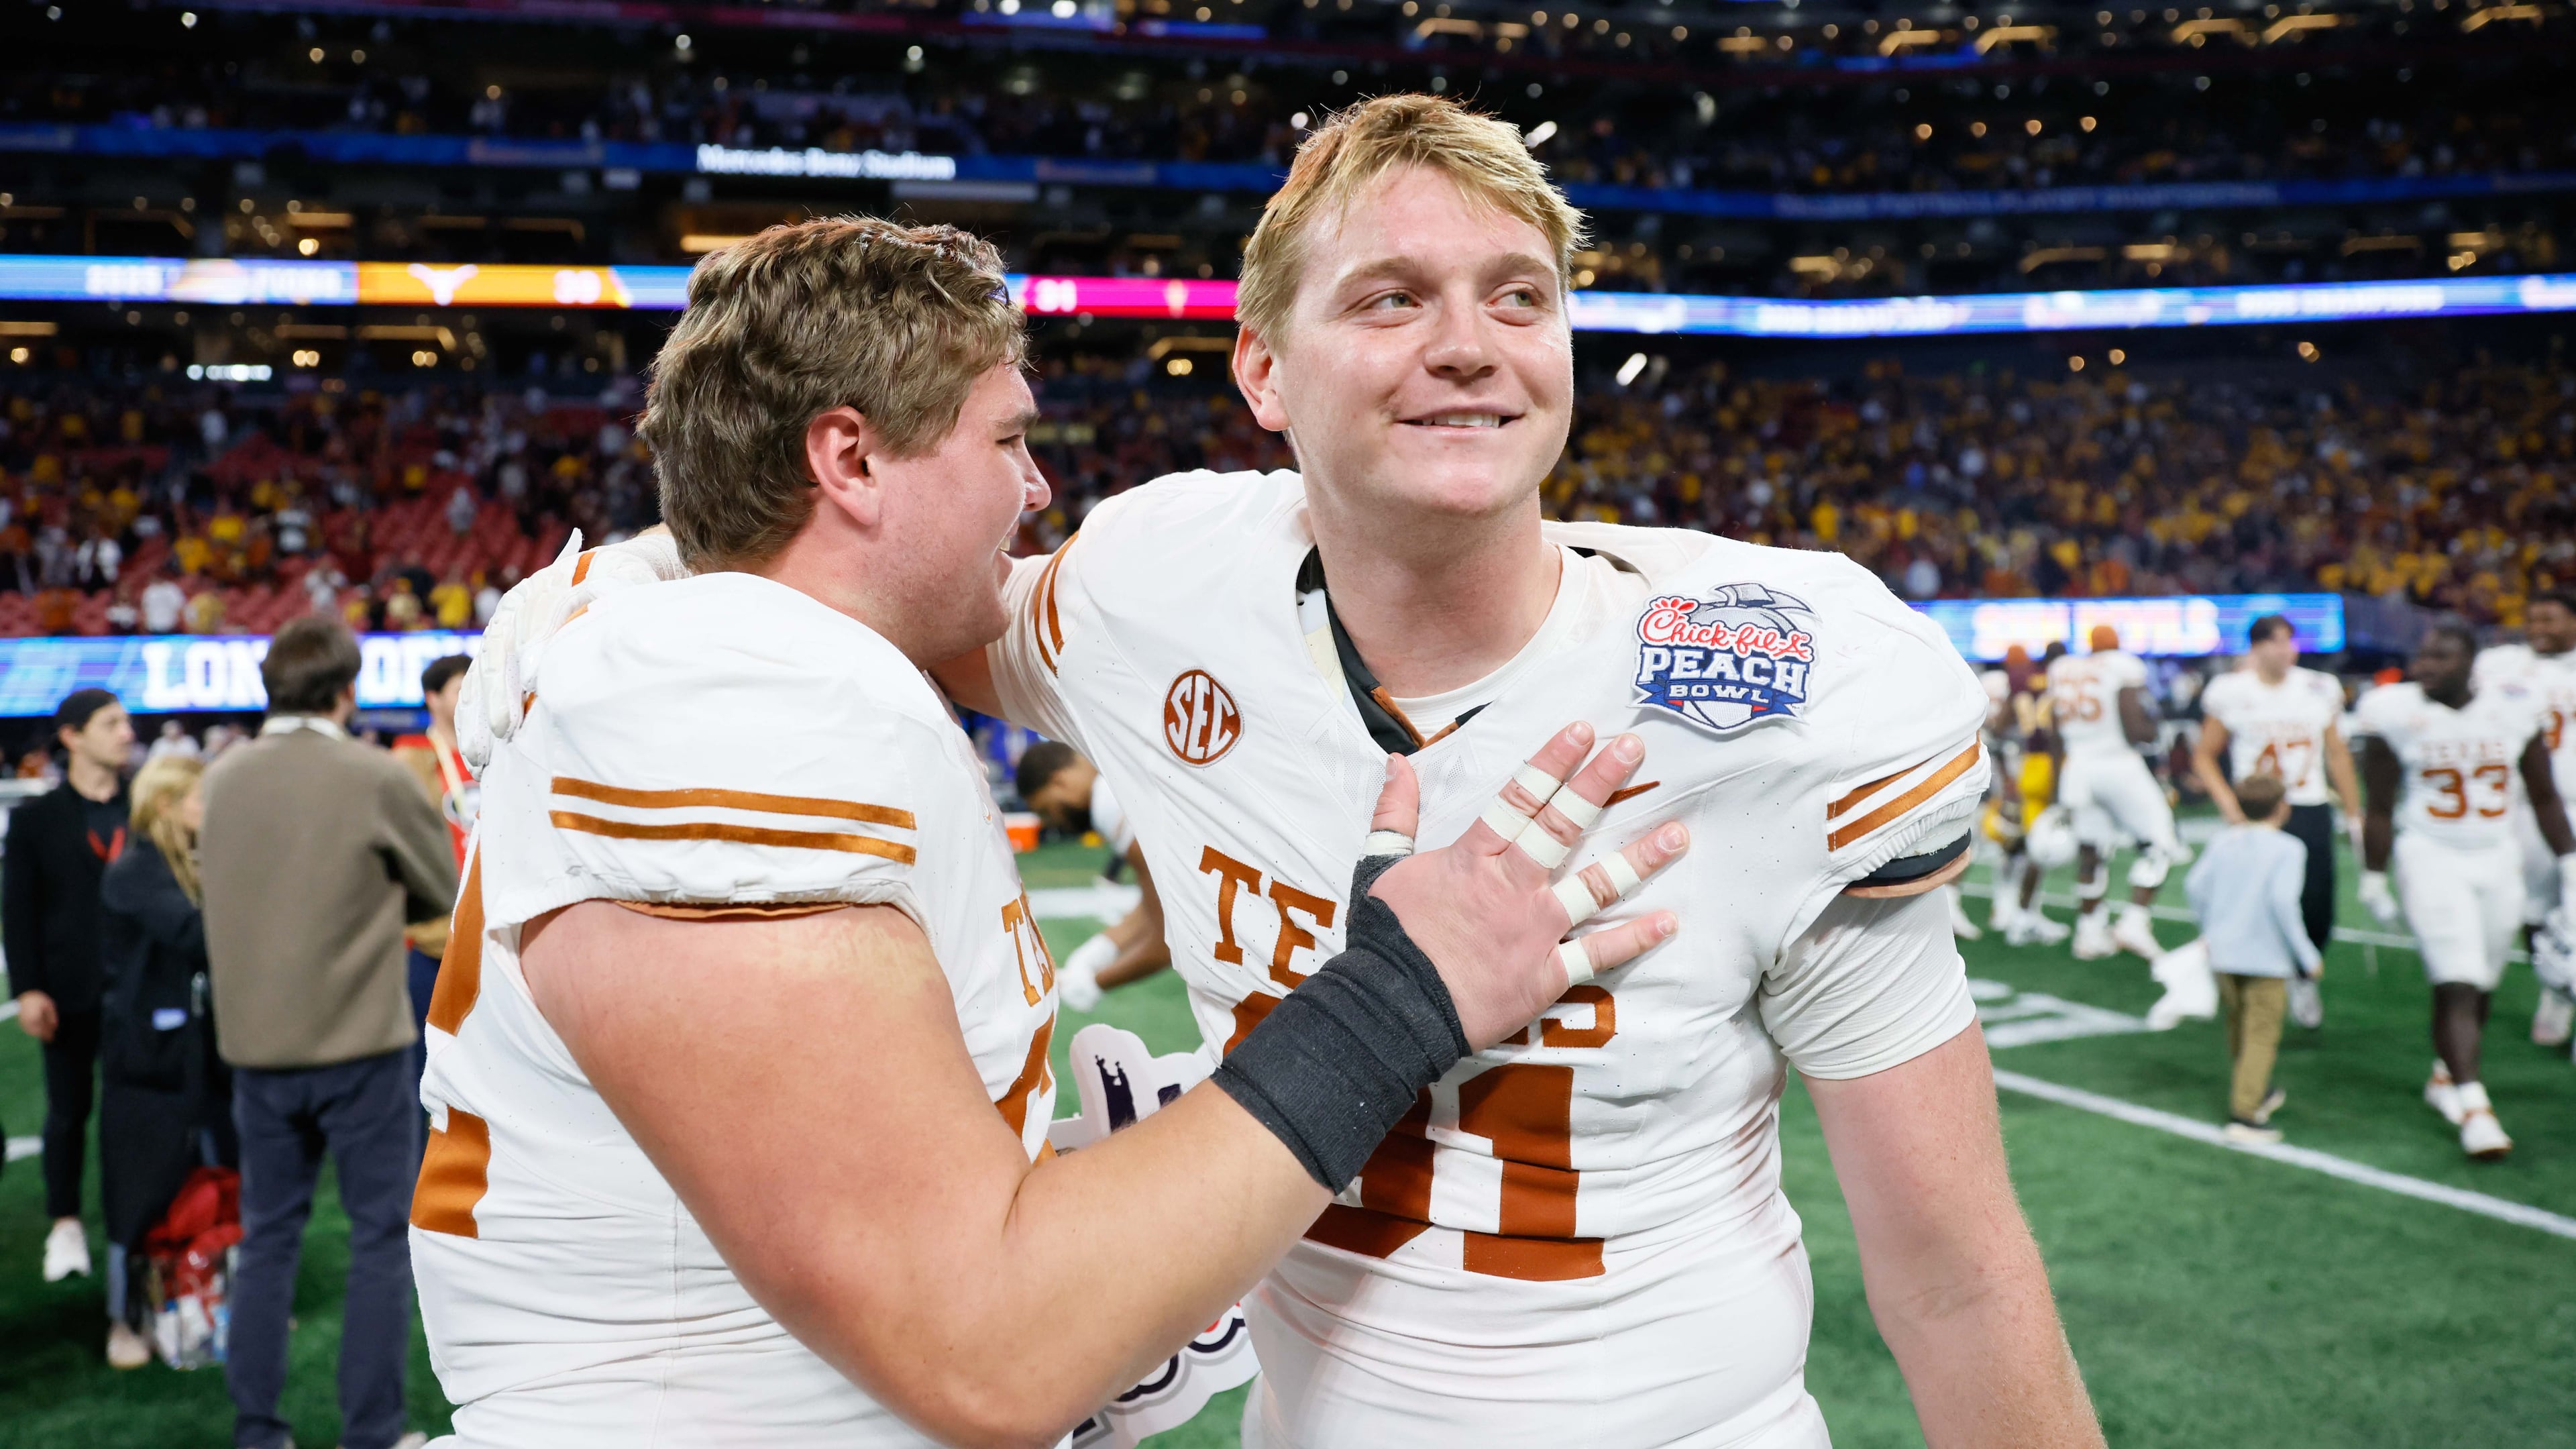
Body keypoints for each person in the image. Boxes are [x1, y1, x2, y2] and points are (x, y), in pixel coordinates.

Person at [934, 98, 2101, 1447]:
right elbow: (874, 606)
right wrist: (644, 578)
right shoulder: (1163, 588)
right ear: (1261, 370)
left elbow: (1954, 1277)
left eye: (1519, 297)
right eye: (1391, 299)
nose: (1469, 349)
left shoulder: (1774, 690)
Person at [431, 217, 1684, 1446]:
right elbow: (982, 1351)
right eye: (1009, 438)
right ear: (851, 461)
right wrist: (1402, 995)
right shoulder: (738, 694)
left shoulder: (739, 651)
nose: (1036, 486)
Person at [201, 616, 457, 1449]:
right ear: (345, 692)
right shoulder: (368, 774)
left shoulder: (223, 778)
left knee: (269, 1238)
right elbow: (443, 884)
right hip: (360, 1044)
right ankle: (372, 1432)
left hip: (257, 1051)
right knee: (379, 1237)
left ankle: (256, 1428)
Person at [2353, 623, 2575, 1161]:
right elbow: (2379, 805)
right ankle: (2476, 1108)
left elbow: (2544, 797)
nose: (2424, 666)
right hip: (2430, 853)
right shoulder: (2393, 713)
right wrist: (2373, 876)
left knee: (2482, 983)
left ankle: (2444, 1075)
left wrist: (2570, 859)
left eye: (2440, 657)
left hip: (2498, 854)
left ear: (2471, 664)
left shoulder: (2513, 710)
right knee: (2457, 977)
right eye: (2422, 655)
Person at [97, 753, 233, 1370]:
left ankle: (211, 1298)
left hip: (201, 1059)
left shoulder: (192, 866)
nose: (211, 811)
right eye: (201, 799)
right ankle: (123, 1321)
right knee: (139, 1188)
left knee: (218, 1176)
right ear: (166, 806)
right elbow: (195, 936)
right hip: (146, 1065)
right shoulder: (134, 872)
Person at [4, 686, 135, 1283]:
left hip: (142, 991)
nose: (126, 733)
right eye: (111, 723)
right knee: (67, 1112)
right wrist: (28, 988)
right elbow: (18, 910)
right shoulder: (36, 819)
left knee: (141, 1114)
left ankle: (139, 1222)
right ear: (72, 736)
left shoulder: (146, 806)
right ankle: (65, 1225)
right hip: (67, 991)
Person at [2192, 614, 2363, 1028]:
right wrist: (2230, 804)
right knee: (2248, 902)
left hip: (2307, 804)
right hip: (2257, 809)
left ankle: (2303, 975)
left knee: (2318, 904)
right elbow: (2204, 754)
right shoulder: (2232, 691)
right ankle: (2243, 985)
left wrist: (2354, 811)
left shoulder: (2318, 687)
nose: (2284, 649)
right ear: (2255, 647)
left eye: (2289, 640)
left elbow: (2336, 753)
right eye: (2274, 641)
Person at [2182, 772, 2320, 1144]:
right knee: (2261, 1034)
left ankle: (2259, 1088)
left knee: (2238, 1026)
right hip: (2267, 957)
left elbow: (2194, 886)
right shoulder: (2289, 848)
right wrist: (2306, 954)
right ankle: (2245, 1113)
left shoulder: (2223, 841)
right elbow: (2282, 902)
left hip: (2224, 952)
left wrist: (2211, 927)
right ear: (2282, 808)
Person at [2470, 588, 2576, 1049]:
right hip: (2524, 805)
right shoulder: (2499, 664)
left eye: (2550, 619)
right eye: (2533, 619)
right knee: (2532, 909)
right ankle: (2554, 985)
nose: (2539, 629)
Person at [2047, 624, 2186, 961]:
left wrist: (2057, 783)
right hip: (2116, 762)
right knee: (2162, 844)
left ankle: (2088, 932)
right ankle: (2134, 923)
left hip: (2077, 765)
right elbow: (2135, 726)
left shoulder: (2063, 669)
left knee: (2092, 851)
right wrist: (2153, 729)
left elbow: (2054, 728)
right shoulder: (2122, 666)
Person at [1016, 741, 1169, 1010]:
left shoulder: (1108, 802)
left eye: (1046, 810)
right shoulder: (1117, 779)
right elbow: (1160, 904)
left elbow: (1167, 941)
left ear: (1059, 781)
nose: (1054, 821)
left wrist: (1096, 982)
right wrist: (1102, 949)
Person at [391, 653, 478, 1090]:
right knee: (424, 1063)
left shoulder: (492, 753)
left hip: (486, 927)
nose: (470, 698)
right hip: (431, 935)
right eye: (460, 690)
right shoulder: (413, 758)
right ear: (433, 698)